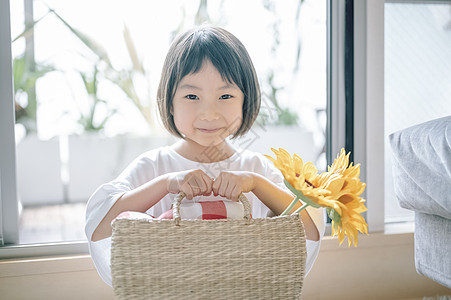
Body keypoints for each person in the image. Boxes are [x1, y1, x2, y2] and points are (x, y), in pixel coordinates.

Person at [85, 26, 325, 286]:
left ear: (246, 101)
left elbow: (310, 230)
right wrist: (165, 184)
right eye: (191, 96)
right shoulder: (152, 167)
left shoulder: (256, 168)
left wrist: (256, 183)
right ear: (169, 102)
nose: (209, 113)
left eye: (225, 95)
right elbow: (100, 228)